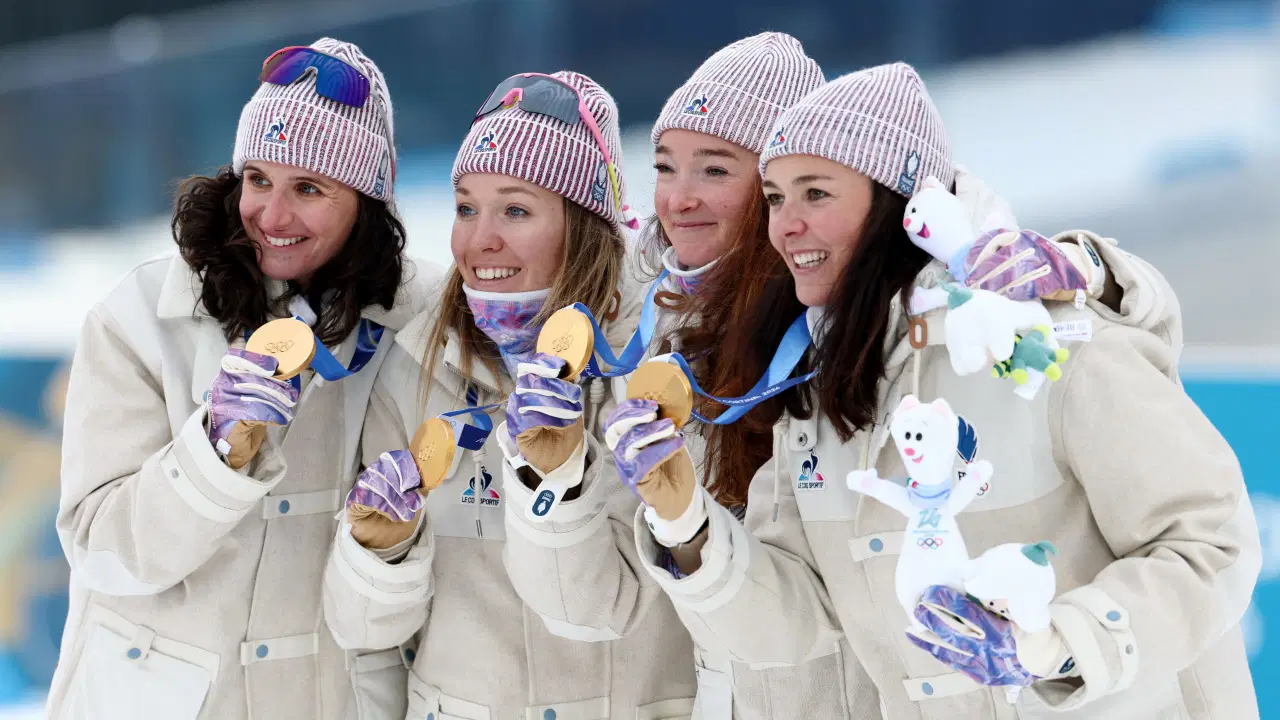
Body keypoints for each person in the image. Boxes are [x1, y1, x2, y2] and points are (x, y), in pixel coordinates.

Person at [608, 63, 1261, 718]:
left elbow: (1211, 542)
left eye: (817, 193)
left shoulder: (1042, 341)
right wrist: (684, 523)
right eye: (776, 198)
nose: (786, 226)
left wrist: (1057, 645)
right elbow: (793, 624)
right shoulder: (817, 397)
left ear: (900, 206)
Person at [50, 38, 434, 719]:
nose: (272, 217)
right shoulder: (141, 319)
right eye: (258, 179)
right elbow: (101, 552)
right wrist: (210, 453)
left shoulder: (421, 320)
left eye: (309, 188)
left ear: (369, 198)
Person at [321, 70, 699, 719]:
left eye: (516, 210)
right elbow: (363, 636)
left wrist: (556, 476)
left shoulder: (663, 368)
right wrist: (379, 552)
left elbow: (603, 609)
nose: (478, 240)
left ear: (585, 228)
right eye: (467, 206)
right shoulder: (414, 366)